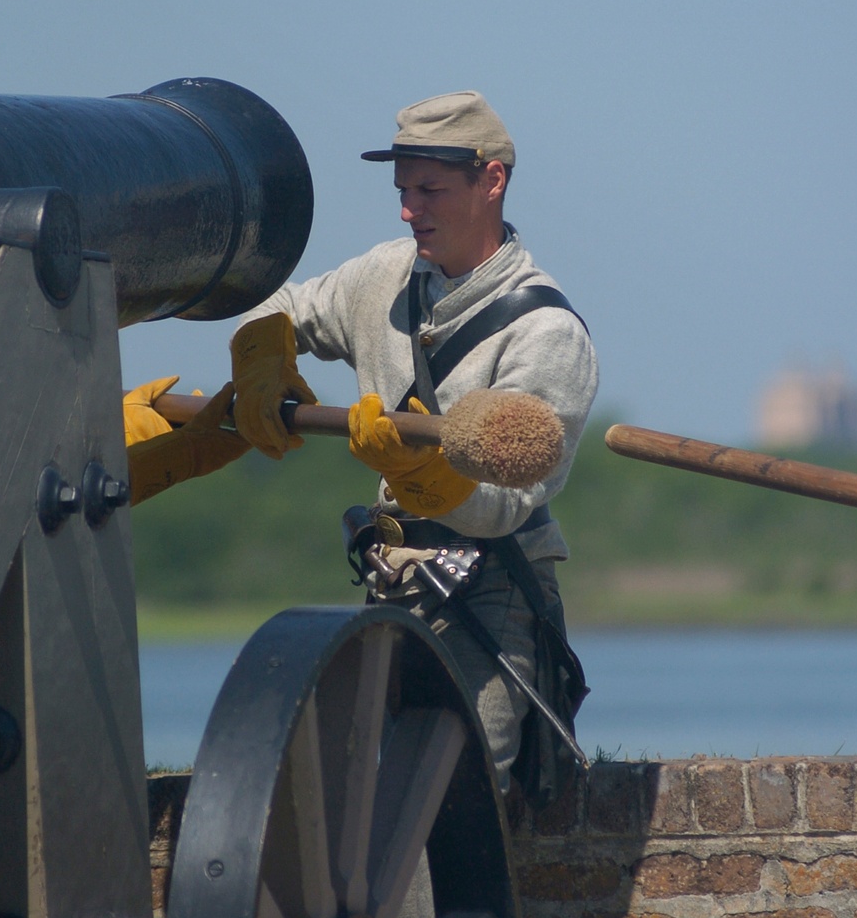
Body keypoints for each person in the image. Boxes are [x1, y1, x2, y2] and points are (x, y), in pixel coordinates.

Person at [228, 90, 598, 795]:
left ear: (492, 180)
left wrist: (417, 469)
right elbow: (282, 308)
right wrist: (262, 358)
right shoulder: (382, 277)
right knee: (363, 800)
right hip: (393, 579)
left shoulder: (547, 334)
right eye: (403, 190)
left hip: (491, 592)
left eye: (429, 189)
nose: (408, 209)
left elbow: (501, 504)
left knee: (448, 803)